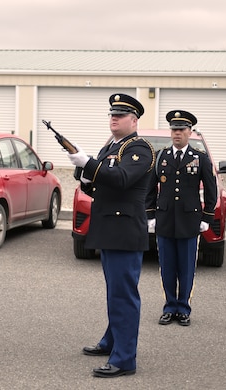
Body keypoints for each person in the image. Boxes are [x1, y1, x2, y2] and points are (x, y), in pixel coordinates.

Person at [66, 93, 155, 378]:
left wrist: (88, 163)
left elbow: (121, 179)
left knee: (123, 295)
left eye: (120, 114)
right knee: (114, 292)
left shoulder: (139, 148)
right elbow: (99, 186)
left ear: (134, 120)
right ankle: (112, 341)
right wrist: (84, 174)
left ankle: (125, 358)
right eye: (111, 114)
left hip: (124, 231)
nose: (114, 118)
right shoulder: (111, 146)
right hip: (108, 228)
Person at [146, 110, 217, 326]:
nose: (177, 133)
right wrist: (150, 215)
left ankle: (183, 308)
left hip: (189, 220)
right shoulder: (160, 157)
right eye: (174, 129)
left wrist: (207, 216)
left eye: (181, 129)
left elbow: (212, 190)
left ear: (189, 132)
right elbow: (150, 189)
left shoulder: (200, 158)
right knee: (167, 266)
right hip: (165, 219)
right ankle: (169, 306)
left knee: (186, 267)